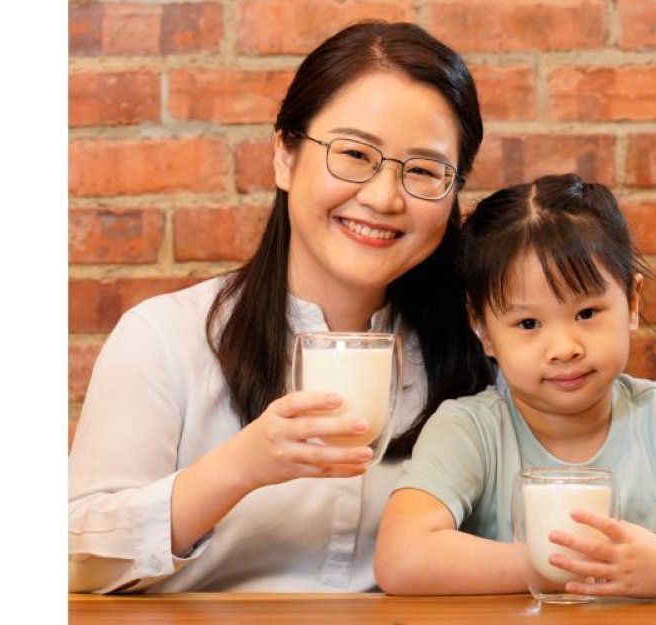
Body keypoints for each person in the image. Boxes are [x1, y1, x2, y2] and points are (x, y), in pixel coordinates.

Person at [69, 20, 492, 593]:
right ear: (284, 157)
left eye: (423, 170)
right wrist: (239, 467)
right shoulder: (165, 338)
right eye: (353, 153)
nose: (384, 197)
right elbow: (74, 558)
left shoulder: (474, 362)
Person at [374, 174, 656, 598]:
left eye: (587, 314)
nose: (564, 348)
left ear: (632, 302)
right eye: (528, 323)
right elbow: (401, 557)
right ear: (483, 329)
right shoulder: (470, 430)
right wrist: (551, 565)